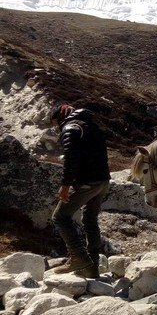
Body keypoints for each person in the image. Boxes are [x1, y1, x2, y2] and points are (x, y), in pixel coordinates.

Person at [50, 104, 111, 278]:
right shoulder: (91, 125)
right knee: (90, 220)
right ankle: (92, 269)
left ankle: (78, 257)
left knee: (60, 217)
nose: (56, 127)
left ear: (61, 117)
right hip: (103, 181)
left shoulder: (70, 128)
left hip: (87, 182)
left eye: (55, 123)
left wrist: (65, 185)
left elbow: (71, 158)